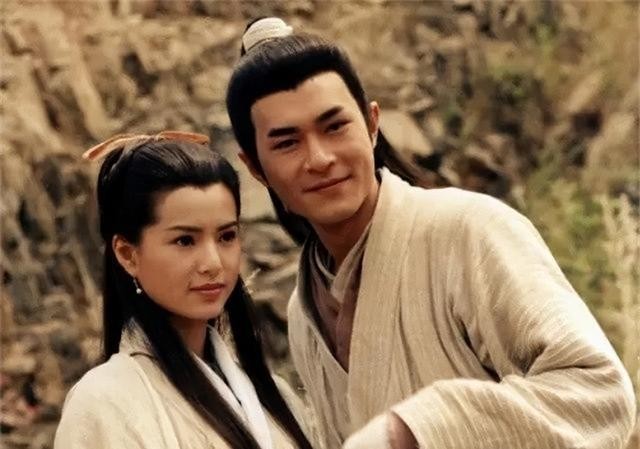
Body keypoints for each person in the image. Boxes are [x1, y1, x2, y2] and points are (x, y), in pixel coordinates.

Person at [225, 17, 637, 449]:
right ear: (255, 167)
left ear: (372, 124)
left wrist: (416, 429)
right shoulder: (304, 311)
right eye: (287, 143)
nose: (320, 158)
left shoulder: (466, 230)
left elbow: (600, 392)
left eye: (335, 127)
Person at [54, 131, 314, 449]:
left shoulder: (275, 396)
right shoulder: (104, 403)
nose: (213, 263)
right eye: (185, 240)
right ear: (127, 254)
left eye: (226, 236)